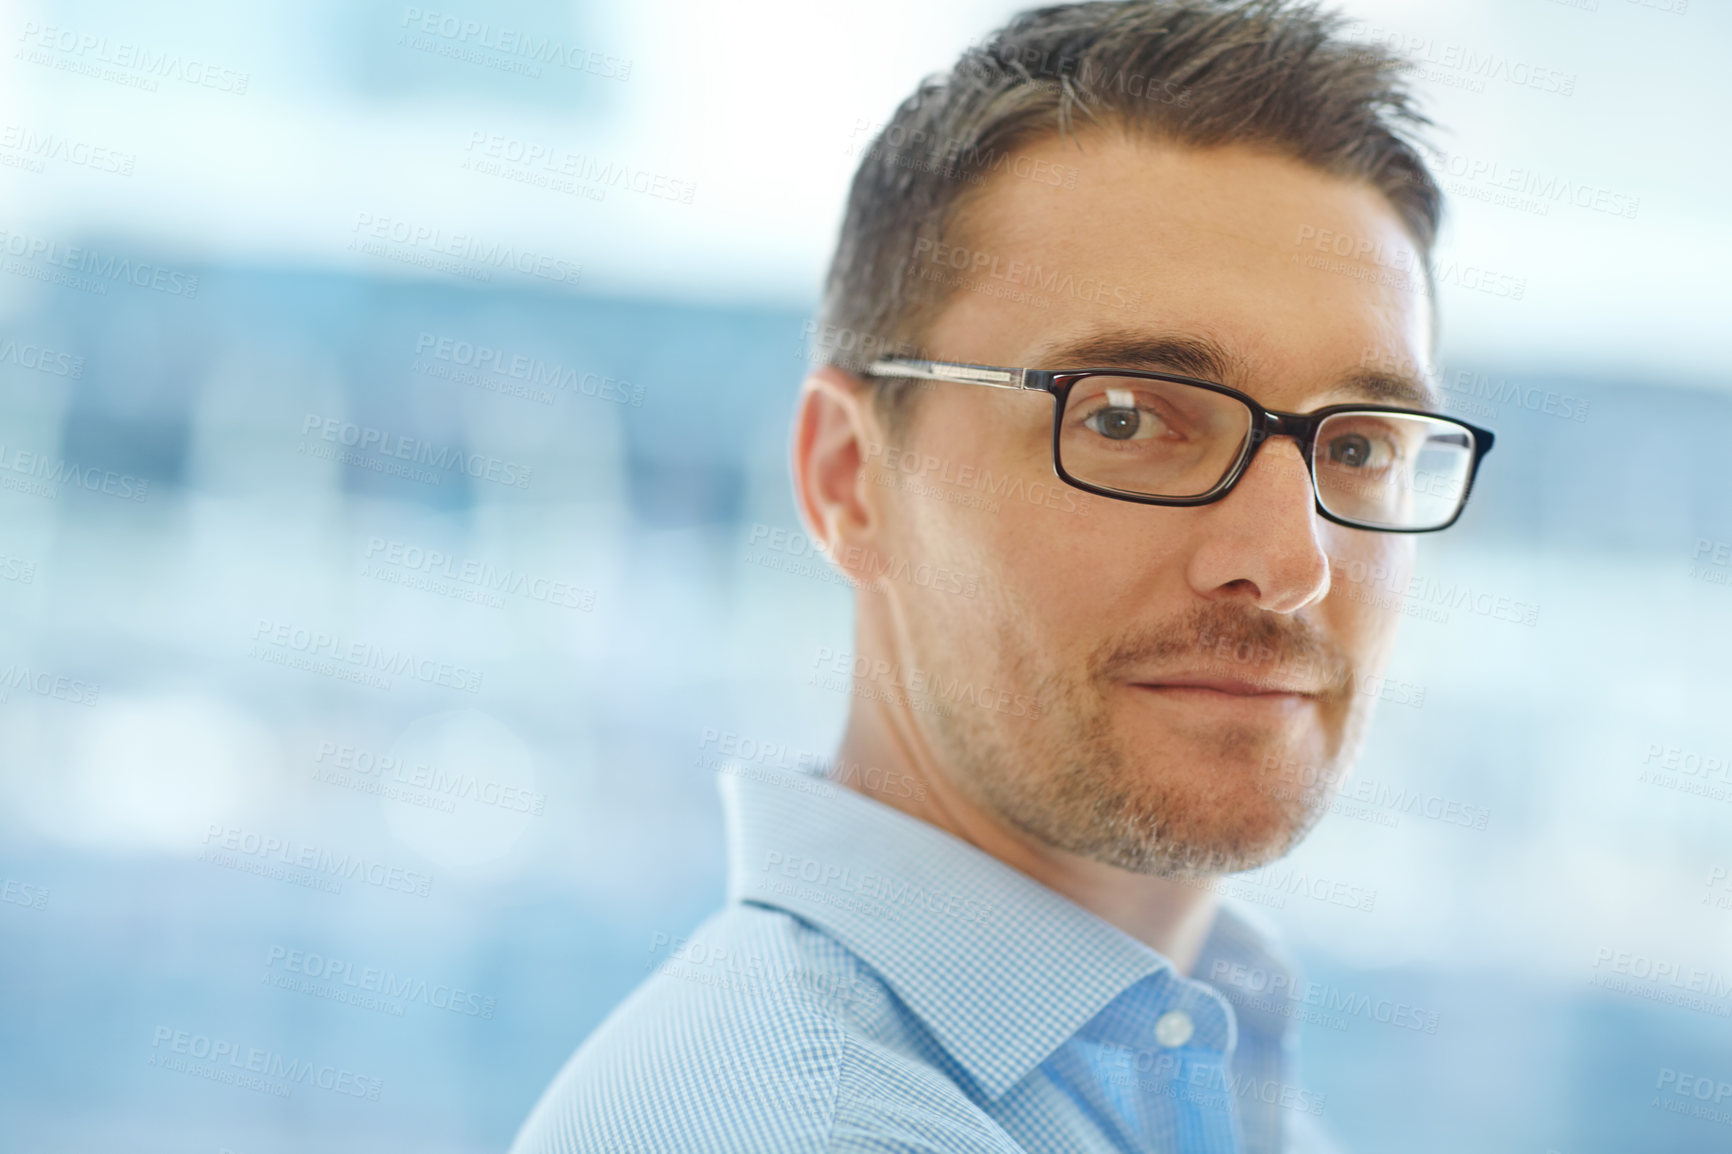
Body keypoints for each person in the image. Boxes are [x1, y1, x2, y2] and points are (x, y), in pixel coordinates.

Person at [512, 2, 1493, 1150]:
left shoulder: (1191, 1051)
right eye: (1126, 417)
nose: (1287, 564)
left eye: (1359, 446)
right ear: (849, 479)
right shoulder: (806, 1124)